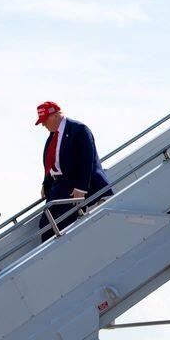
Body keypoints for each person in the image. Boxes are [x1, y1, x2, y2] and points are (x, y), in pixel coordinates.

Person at [35, 101, 111, 240]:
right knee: (45, 225)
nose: (43, 125)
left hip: (77, 186)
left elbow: (87, 160)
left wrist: (81, 188)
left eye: (44, 121)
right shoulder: (52, 137)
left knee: (64, 221)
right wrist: (45, 185)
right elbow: (52, 162)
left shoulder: (79, 129)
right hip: (59, 186)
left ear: (54, 115)